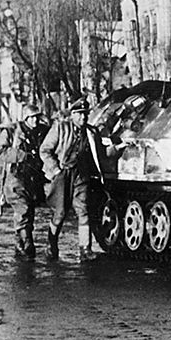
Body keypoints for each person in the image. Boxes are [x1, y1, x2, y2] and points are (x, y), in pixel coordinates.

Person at [40, 98, 122, 263]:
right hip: (63, 174)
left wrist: (118, 149)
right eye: (79, 114)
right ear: (72, 115)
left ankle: (85, 249)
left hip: (81, 175)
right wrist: (56, 170)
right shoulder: (60, 128)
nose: (83, 118)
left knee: (83, 210)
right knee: (60, 213)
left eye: (85, 114)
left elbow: (101, 153)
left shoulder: (91, 132)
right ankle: (51, 243)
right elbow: (45, 150)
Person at [0, 105, 49, 259]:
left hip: (33, 178)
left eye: (37, 117)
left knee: (29, 212)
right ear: (25, 118)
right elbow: (0, 151)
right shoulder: (12, 131)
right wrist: (22, 155)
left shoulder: (41, 131)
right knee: (23, 209)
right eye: (31, 117)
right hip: (16, 177)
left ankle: (19, 242)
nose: (35, 120)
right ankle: (27, 243)